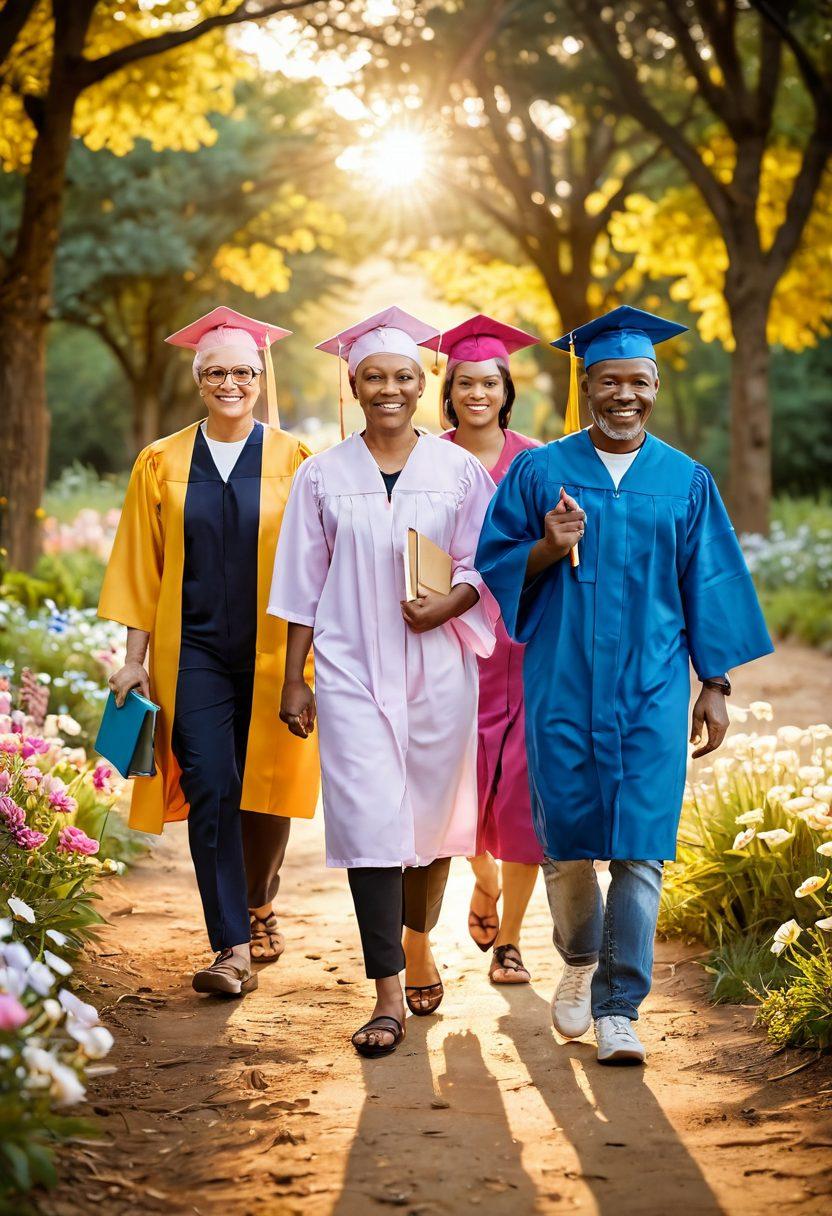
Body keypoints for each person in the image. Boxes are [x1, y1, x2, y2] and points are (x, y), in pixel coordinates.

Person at [475, 306, 773, 1064]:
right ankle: (579, 958)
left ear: (655, 384)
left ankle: (619, 1006)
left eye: (637, 381)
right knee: (569, 843)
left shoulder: (685, 480)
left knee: (641, 847)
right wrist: (547, 545)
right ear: (587, 385)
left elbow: (708, 580)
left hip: (649, 686)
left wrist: (715, 683)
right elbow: (495, 563)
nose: (624, 395)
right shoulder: (541, 471)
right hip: (563, 682)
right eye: (609, 381)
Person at [269, 306, 499, 1058]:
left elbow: (480, 563)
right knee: (369, 825)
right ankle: (387, 993)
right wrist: (294, 676)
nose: (390, 389)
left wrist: (451, 605)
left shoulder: (459, 470)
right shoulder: (323, 475)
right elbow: (303, 581)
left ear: (422, 382)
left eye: (403, 376)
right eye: (375, 377)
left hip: (438, 667)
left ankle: (417, 937)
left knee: (429, 826)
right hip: (350, 666)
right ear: (354, 383)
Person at [99, 307, 320, 998]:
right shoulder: (161, 460)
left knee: (266, 795)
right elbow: (143, 564)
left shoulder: (296, 460)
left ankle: (260, 901)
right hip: (190, 647)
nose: (230, 382)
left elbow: (316, 563)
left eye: (242, 372)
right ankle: (230, 946)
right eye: (216, 371)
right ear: (199, 379)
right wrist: (134, 658)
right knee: (213, 788)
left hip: (273, 651)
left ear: (259, 379)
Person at [429, 315, 544, 986]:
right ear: (450, 391)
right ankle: (484, 878)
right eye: (466, 383)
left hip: (524, 641)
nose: (477, 394)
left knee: (522, 795)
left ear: (506, 390)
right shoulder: (426, 458)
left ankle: (512, 942)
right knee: (459, 784)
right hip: (452, 640)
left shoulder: (534, 461)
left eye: (489, 383)